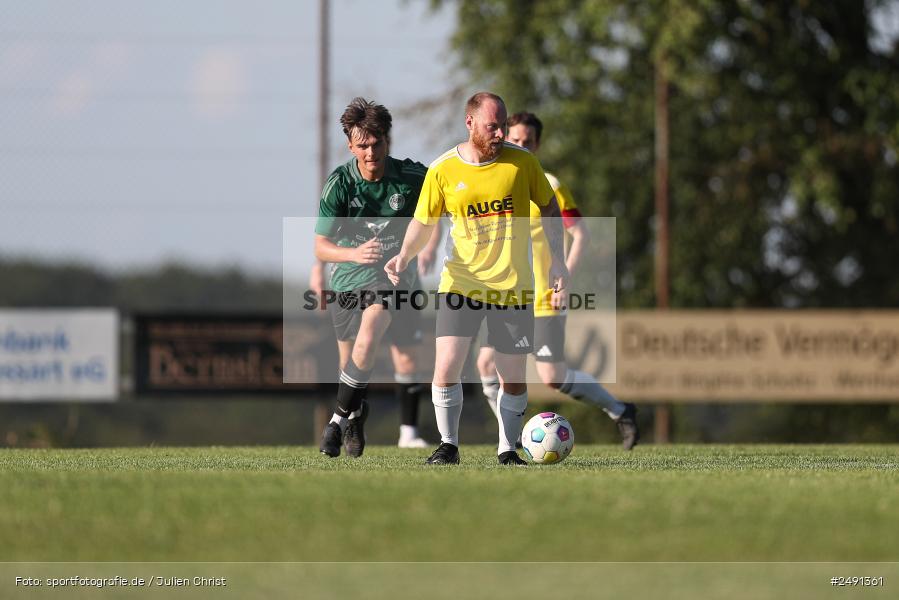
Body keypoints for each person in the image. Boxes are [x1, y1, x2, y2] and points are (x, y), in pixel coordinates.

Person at [385, 92, 568, 466]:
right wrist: (404, 255)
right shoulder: (443, 169)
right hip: (461, 283)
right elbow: (424, 221)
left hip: (513, 286)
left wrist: (558, 261)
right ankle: (448, 445)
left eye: (502, 125)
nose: (500, 133)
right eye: (492, 126)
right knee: (447, 365)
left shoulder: (523, 164)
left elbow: (549, 207)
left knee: (512, 376)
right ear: (469, 123)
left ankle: (507, 449)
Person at [476, 112, 639, 450]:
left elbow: (580, 234)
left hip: (543, 295)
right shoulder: (496, 181)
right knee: (486, 364)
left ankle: (620, 409)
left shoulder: (548, 183)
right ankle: (512, 437)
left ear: (537, 144)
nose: (521, 146)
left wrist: (563, 279)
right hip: (507, 295)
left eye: (528, 142)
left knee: (552, 377)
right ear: (505, 138)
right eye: (515, 140)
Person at [314, 97, 436, 457]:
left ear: (388, 140)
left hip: (394, 279)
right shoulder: (338, 184)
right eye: (362, 145)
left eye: (377, 142)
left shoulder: (413, 178)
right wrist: (352, 253)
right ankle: (353, 416)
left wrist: (423, 247)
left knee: (378, 335)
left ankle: (339, 422)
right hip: (347, 280)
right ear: (350, 146)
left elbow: (438, 212)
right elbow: (321, 246)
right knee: (350, 363)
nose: (371, 152)